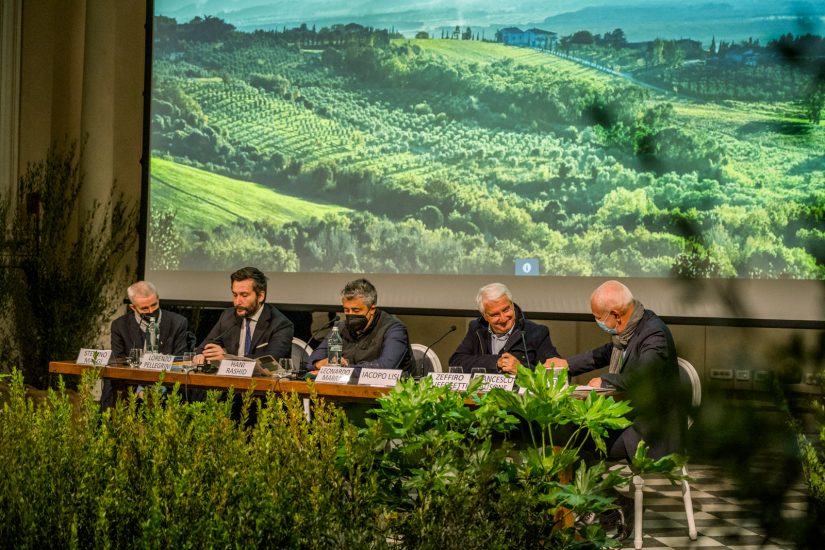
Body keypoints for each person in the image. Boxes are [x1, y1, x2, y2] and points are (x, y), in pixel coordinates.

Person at [550, 280, 688, 539]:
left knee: (576, 441)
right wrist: (565, 364)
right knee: (570, 434)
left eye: (597, 318)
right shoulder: (627, 332)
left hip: (653, 429)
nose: (597, 323)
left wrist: (606, 381)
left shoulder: (653, 333)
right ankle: (606, 506)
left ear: (615, 315)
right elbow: (602, 354)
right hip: (632, 418)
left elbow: (643, 378)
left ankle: (612, 505)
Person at [104, 281, 189, 407]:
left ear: (158, 299)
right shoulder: (120, 325)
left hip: (167, 387)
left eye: (154, 305)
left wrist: (159, 389)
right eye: (144, 308)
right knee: (110, 386)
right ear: (133, 307)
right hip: (131, 388)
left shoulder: (177, 323)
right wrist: (140, 391)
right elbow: (120, 362)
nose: (151, 311)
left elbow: (179, 361)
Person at [308, 278, 414, 375]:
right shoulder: (340, 328)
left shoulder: (394, 329)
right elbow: (310, 362)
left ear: (372, 309)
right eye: (346, 310)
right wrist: (320, 364)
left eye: (356, 310)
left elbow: (385, 368)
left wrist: (342, 370)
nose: (350, 314)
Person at [448, 282, 561, 373]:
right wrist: (496, 362)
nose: (503, 319)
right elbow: (456, 363)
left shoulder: (536, 332)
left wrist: (521, 370)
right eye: (495, 314)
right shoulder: (476, 328)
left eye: (506, 310)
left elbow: (556, 373)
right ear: (485, 316)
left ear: (512, 305)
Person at [195, 267, 293, 364]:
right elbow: (204, 347)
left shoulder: (280, 324)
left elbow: (270, 361)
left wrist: (228, 359)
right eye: (235, 295)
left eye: (244, 295)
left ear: (260, 296)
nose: (237, 302)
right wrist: (201, 355)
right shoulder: (228, 316)